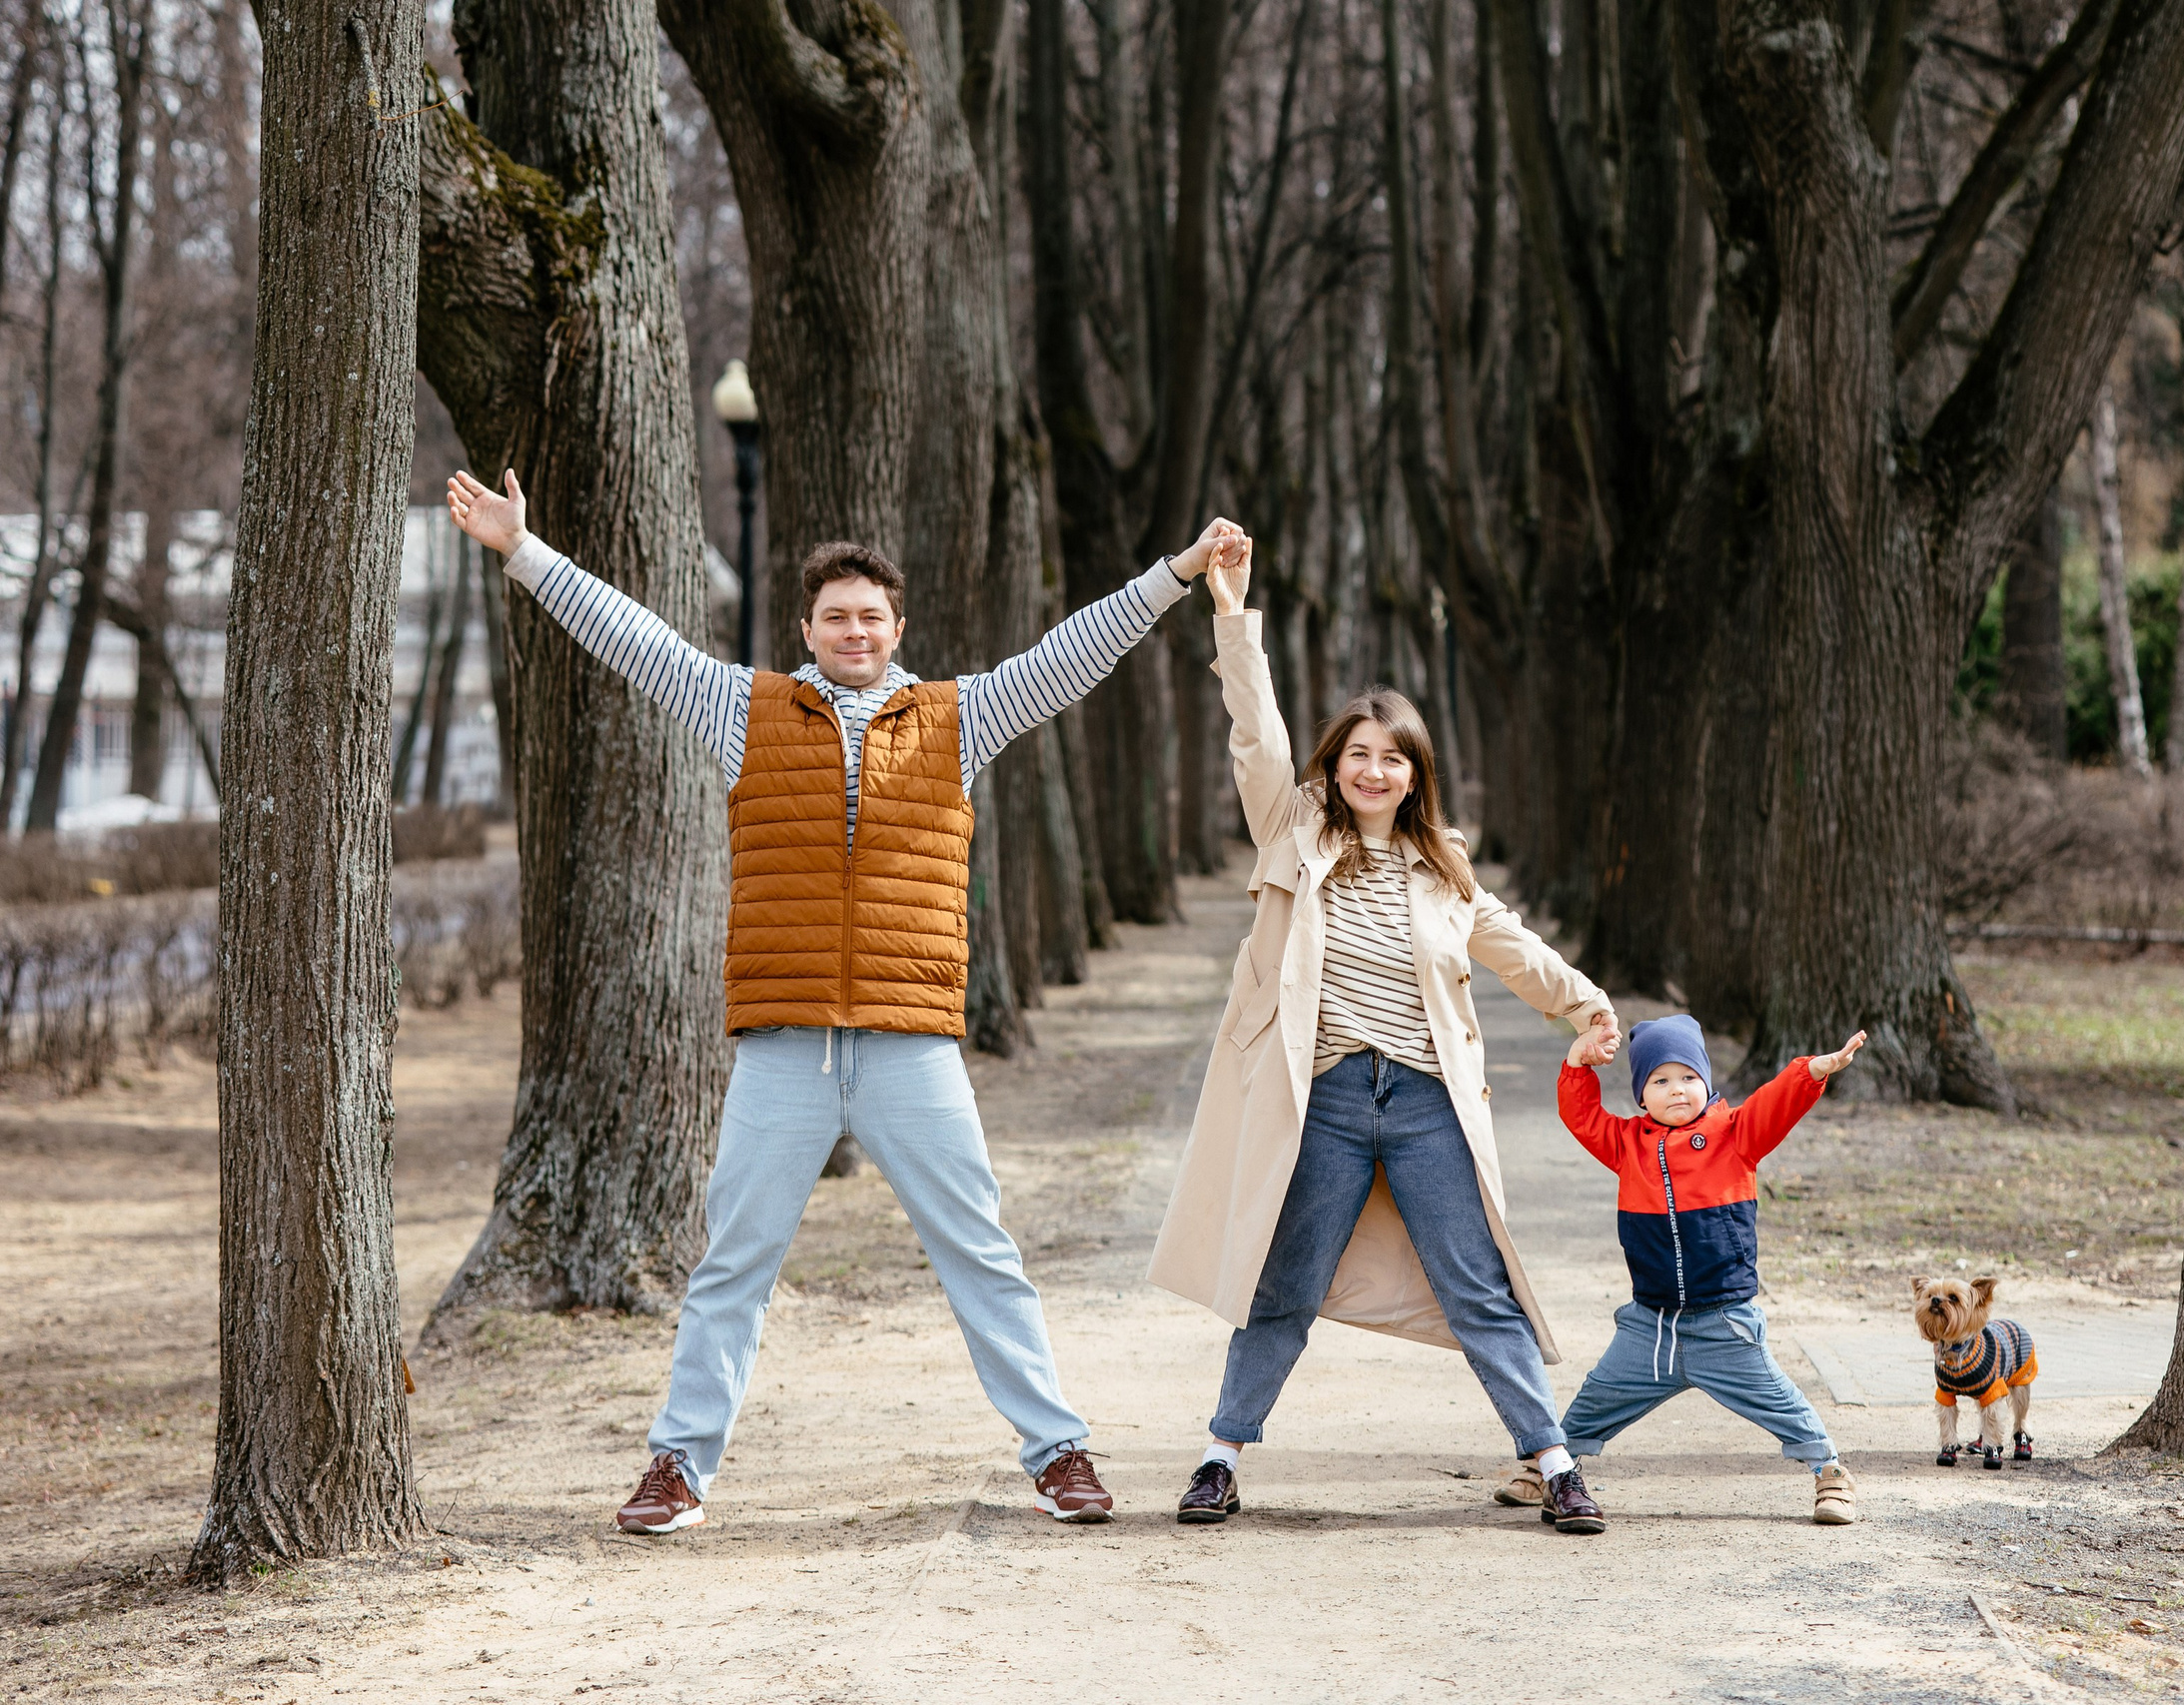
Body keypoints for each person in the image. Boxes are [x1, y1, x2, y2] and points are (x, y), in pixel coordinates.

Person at [445, 467, 1243, 1532]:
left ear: (897, 625)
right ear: (808, 629)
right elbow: (635, 639)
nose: (853, 631)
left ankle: (1057, 1451)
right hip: (784, 1050)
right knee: (733, 1263)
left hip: (909, 1048)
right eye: (835, 617)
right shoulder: (744, 709)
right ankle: (677, 1467)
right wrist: (522, 551)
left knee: (982, 1255)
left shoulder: (960, 716)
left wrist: (1178, 575)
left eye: (871, 616)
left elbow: (1071, 654)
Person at [1147, 530, 1624, 1535]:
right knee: (1283, 1285)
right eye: (1357, 754)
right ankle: (1219, 1457)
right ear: (1336, 765)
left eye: (1391, 758)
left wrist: (1584, 1002)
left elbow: (1513, 947)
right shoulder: (1293, 830)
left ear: (1415, 775)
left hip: (1421, 1103)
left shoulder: (1444, 869)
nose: (1372, 770)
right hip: (1319, 1097)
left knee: (1478, 1287)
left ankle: (1554, 1464)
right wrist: (1232, 617)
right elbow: (1255, 735)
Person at [1549, 1013, 1868, 1528]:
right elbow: (1581, 1115)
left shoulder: (1736, 1134)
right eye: (1661, 1080)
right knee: (1596, 1398)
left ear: (1707, 1082)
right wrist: (1575, 1064)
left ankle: (1830, 1472)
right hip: (1650, 1326)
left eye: (1689, 1078)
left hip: (1724, 1321)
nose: (1678, 1090)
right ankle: (1550, 1469)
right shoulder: (1627, 1145)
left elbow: (1774, 1103)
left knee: (1779, 1400)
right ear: (1640, 1095)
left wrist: (1812, 1071)